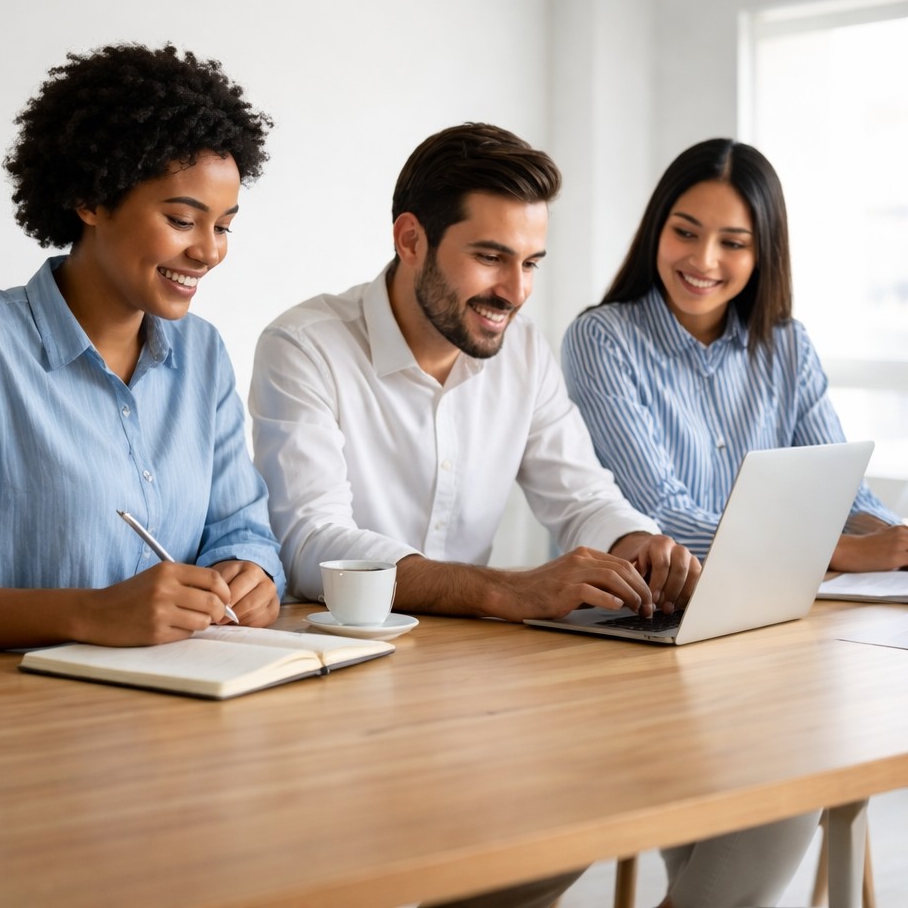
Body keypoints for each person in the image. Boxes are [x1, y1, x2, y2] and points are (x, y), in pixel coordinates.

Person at [249, 123, 807, 908]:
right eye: (490, 257)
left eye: (531, 263)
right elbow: (312, 543)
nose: (514, 290)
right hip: (339, 704)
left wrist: (639, 543)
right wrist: (508, 591)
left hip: (472, 700)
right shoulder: (305, 345)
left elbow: (579, 492)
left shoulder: (523, 352)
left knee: (770, 775)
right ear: (411, 240)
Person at [0, 42, 284, 651]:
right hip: (18, 715)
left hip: (180, 708)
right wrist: (89, 614)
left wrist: (251, 571)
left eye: (223, 225)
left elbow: (242, 528)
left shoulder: (202, 354)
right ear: (91, 199)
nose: (210, 251)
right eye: (183, 220)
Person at [562, 137, 907, 571]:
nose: (704, 260)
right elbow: (662, 515)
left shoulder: (788, 347)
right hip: (645, 607)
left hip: (770, 597)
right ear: (656, 229)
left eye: (733, 243)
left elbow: (843, 495)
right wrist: (833, 552)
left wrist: (894, 538)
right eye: (685, 232)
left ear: (762, 253)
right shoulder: (601, 340)